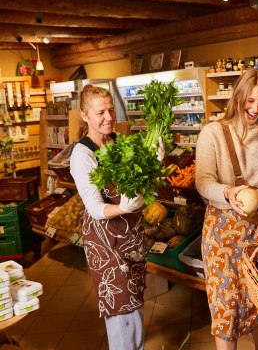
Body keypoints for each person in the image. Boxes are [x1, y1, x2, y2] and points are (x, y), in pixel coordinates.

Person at [195, 68, 258, 350]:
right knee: (225, 305)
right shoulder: (212, 132)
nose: (255, 108)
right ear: (237, 97)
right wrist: (226, 192)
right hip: (222, 231)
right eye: (249, 100)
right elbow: (203, 181)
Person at [70, 85, 150, 350]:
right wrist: (124, 208)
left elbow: (139, 180)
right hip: (106, 244)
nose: (108, 117)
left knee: (134, 304)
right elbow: (94, 206)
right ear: (85, 116)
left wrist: (153, 162)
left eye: (110, 110)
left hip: (131, 238)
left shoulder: (120, 142)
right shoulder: (82, 154)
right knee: (121, 310)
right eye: (100, 112)